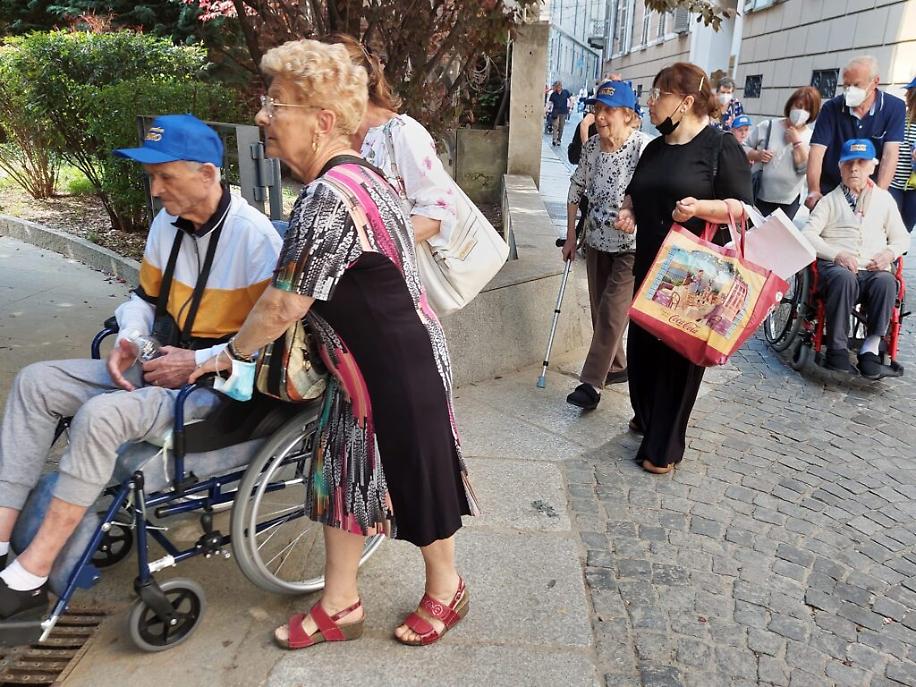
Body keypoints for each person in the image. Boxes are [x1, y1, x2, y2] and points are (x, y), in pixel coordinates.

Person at [192, 39, 478, 650]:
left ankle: (447, 587)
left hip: (398, 367)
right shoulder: (360, 174)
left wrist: (227, 356)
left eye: (278, 104)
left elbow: (284, 303)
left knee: (417, 479)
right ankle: (340, 602)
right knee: (340, 477)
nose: (264, 117)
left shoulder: (330, 195)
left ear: (323, 121)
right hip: (360, 369)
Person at [0, 115, 282, 621]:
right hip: (163, 361)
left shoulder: (255, 239)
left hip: (223, 386)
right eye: (151, 177)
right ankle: (2, 544)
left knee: (101, 418)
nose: (154, 191)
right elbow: (143, 298)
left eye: (165, 177)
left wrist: (192, 362)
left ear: (208, 174)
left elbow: (271, 351)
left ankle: (32, 575)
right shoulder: (167, 224)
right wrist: (132, 337)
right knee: (35, 382)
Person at [621, 62, 752, 474]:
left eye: (659, 94)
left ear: (687, 101)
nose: (651, 102)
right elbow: (636, 191)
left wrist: (700, 207)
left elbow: (742, 208)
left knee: (678, 356)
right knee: (642, 354)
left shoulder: (720, 147)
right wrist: (628, 210)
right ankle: (647, 417)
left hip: (694, 274)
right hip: (649, 266)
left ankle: (663, 447)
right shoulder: (654, 148)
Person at [319, 34, 456, 250]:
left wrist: (368, 247)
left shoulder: (402, 134)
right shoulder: (335, 139)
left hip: (403, 277)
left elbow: (438, 213)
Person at [563, 81, 651, 410]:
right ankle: (617, 366)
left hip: (630, 245)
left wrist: (635, 211)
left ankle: (590, 384)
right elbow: (576, 189)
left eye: (608, 110)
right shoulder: (591, 149)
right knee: (601, 313)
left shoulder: (643, 148)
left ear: (628, 115)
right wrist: (571, 236)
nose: (600, 117)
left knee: (613, 313)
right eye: (597, 109)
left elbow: (652, 191)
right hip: (596, 241)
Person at [801, 139, 909, 379]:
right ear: (840, 167)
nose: (855, 169)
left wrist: (888, 254)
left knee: (886, 282)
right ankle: (837, 348)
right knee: (843, 278)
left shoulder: (884, 200)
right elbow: (807, 234)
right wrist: (836, 255)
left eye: (861, 163)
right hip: (838, 268)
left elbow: (902, 239)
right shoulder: (829, 201)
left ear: (873, 166)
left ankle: (871, 347)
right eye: (849, 163)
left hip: (873, 268)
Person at [806, 56, 906, 209]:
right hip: (831, 189)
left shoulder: (894, 108)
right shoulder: (831, 108)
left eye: (856, 85)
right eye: (846, 85)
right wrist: (814, 190)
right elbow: (817, 151)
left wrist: (878, 195)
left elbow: (890, 154)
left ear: (875, 82)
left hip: (867, 189)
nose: (850, 90)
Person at [746, 86, 821, 220]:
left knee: (777, 237)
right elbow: (742, 147)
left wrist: (797, 143)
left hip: (788, 201)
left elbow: (804, 169)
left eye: (807, 109)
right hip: (759, 194)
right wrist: (757, 155)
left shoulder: (812, 137)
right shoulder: (767, 126)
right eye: (798, 106)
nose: (801, 112)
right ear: (790, 104)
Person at [888, 76, 916, 231]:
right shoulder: (899, 117)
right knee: (888, 226)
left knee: (906, 229)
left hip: (914, 187)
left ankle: (897, 254)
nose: (907, 96)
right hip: (893, 182)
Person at [548, 81, 573, 146]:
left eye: (558, 87)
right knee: (555, 126)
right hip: (556, 112)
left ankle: (559, 140)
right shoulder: (553, 94)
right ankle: (554, 139)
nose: (557, 88)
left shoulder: (565, 92)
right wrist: (546, 109)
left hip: (563, 112)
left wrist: (571, 106)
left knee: (561, 126)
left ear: (560, 86)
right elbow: (550, 103)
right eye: (556, 87)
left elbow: (570, 99)